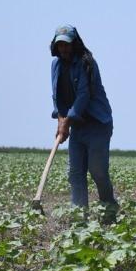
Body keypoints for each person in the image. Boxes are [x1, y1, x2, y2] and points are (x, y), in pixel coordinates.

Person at [50, 24, 118, 217]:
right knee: (75, 172)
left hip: (97, 123)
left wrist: (67, 121)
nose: (64, 49)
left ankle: (109, 206)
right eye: (60, 45)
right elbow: (57, 96)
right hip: (77, 125)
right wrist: (60, 120)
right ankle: (79, 215)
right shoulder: (56, 65)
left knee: (97, 171)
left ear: (75, 44)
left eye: (67, 45)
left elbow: (83, 95)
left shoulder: (87, 63)